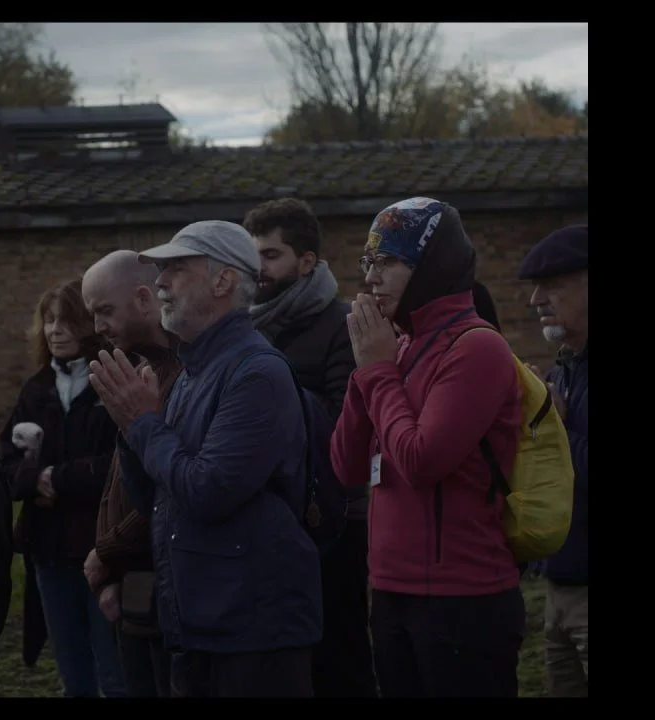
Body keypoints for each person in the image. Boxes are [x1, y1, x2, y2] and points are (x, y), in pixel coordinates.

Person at [89, 220, 323, 698]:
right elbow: (157, 496)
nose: (160, 283)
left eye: (176, 268)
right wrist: (130, 427)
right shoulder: (196, 371)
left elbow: (208, 490)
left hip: (253, 632)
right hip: (201, 627)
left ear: (223, 281)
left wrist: (144, 424)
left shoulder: (256, 373)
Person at [329, 197, 526, 698]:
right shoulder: (397, 346)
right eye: (368, 263)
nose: (372, 277)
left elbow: (421, 460)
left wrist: (376, 372)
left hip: (463, 599)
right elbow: (348, 466)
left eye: (389, 261)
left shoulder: (477, 346)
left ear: (431, 265)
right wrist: (366, 370)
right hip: (392, 590)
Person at [243, 198, 375, 698]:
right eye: (255, 254)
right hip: (271, 515)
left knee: (340, 655)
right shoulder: (251, 325)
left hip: (336, 519)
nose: (260, 268)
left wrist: (265, 397)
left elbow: (345, 419)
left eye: (271, 255)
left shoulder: (340, 324)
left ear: (307, 262)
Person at [0, 279, 126, 698]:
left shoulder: (113, 382)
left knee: (116, 673)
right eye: (49, 320)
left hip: (103, 549)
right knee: (73, 675)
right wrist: (33, 478)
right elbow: (5, 462)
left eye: (66, 320)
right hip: (49, 551)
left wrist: (59, 480)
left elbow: (121, 463)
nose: (55, 330)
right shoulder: (35, 389)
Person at [80, 250, 184, 698]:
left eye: (104, 310)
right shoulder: (143, 370)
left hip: (167, 576)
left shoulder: (183, 375)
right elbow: (121, 479)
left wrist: (108, 550)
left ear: (144, 299)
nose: (97, 326)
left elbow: (171, 487)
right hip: (134, 576)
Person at [518, 224, 589, 697]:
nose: (536, 299)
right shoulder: (566, 364)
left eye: (552, 285)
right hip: (562, 585)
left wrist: (555, 428)